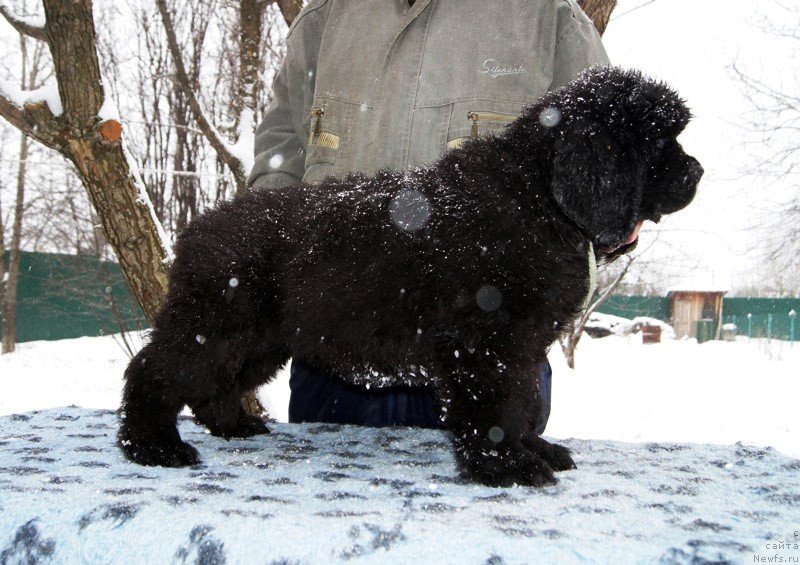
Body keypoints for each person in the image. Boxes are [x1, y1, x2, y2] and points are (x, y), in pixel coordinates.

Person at [248, 0, 609, 433]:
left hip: (488, 361)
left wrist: (611, 219)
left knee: (492, 492)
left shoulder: (549, 18)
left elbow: (604, 153)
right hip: (335, 359)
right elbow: (284, 144)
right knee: (333, 498)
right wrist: (267, 262)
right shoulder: (328, 14)